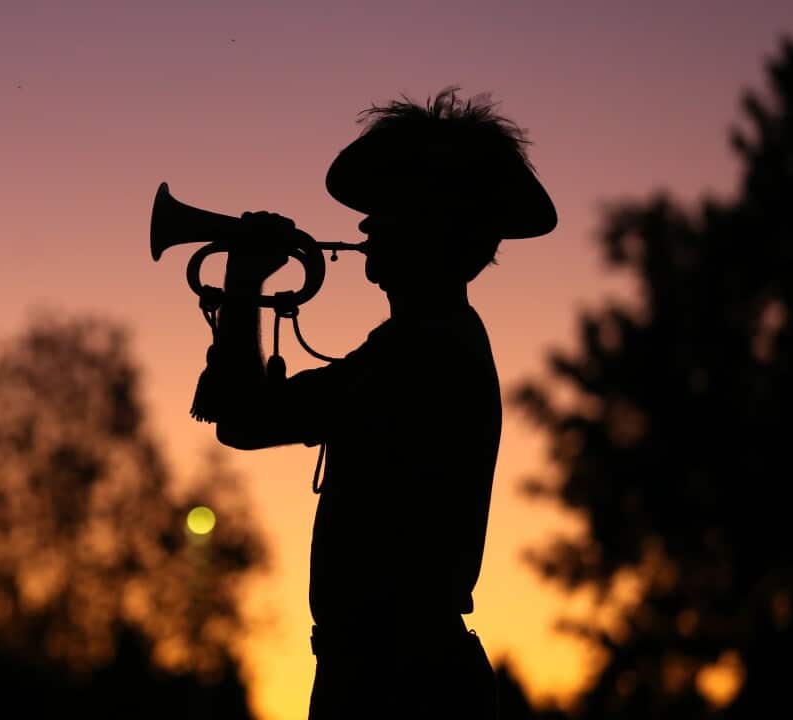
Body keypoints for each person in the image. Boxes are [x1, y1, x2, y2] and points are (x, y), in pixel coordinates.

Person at [199, 89, 557, 718]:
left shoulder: (420, 354)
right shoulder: (424, 344)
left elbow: (244, 420)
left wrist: (246, 278)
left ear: (435, 228)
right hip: (397, 671)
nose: (366, 225)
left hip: (394, 683)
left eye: (391, 209)